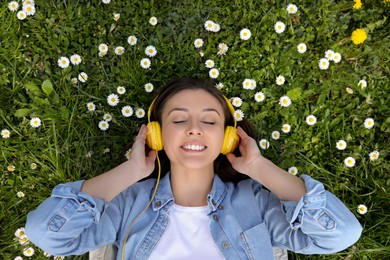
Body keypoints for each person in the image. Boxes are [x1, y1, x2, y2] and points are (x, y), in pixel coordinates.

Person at [25, 78, 362, 259]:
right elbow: (47, 234)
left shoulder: (255, 204)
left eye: (210, 121)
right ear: (156, 133)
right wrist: (131, 170)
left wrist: (259, 167)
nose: (194, 128)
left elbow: (341, 234)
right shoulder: (128, 203)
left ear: (228, 137)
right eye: (179, 119)